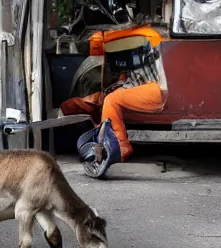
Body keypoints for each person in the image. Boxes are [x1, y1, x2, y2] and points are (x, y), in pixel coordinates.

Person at [60, 35, 167, 163]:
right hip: (140, 84)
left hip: (158, 88)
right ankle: (90, 128)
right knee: (100, 99)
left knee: (112, 100)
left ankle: (119, 148)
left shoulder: (141, 41)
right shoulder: (128, 52)